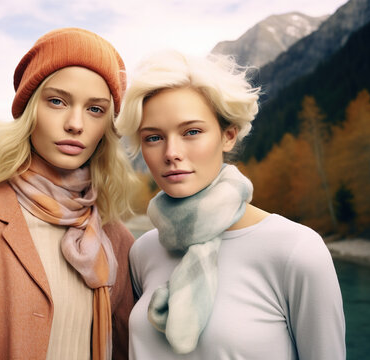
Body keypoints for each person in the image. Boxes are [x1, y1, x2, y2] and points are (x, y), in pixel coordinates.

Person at [0, 27, 138, 360]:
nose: (76, 123)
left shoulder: (116, 239)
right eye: (57, 101)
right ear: (30, 110)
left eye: (95, 109)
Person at [115, 50, 346, 359]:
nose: (171, 152)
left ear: (228, 136)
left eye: (192, 132)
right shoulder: (143, 252)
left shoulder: (296, 250)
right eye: (153, 137)